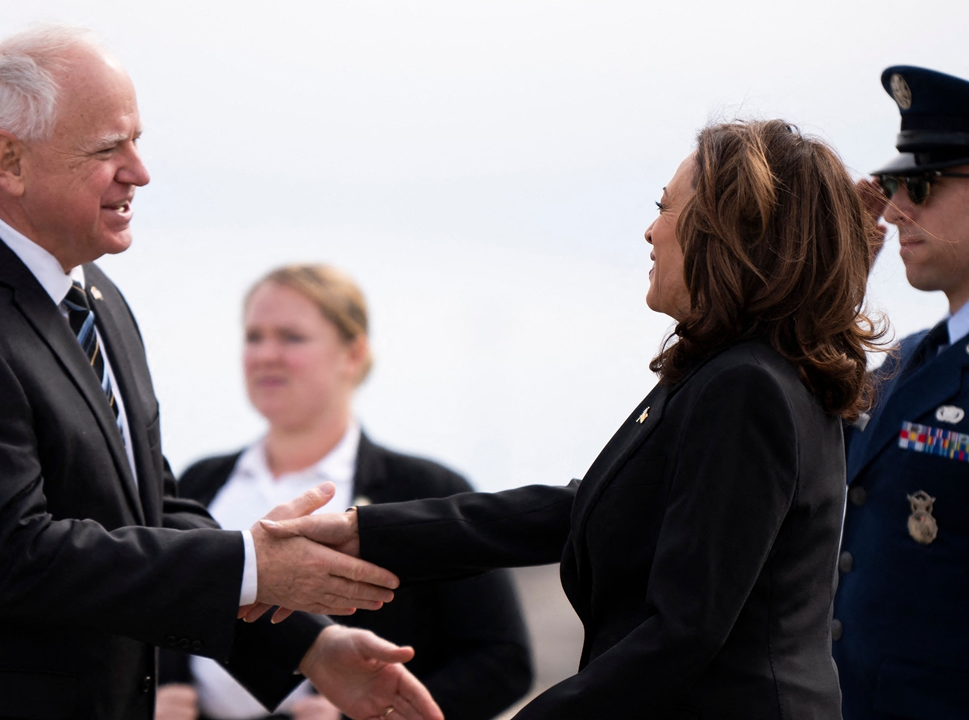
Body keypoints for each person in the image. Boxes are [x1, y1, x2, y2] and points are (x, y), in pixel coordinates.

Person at [0, 26, 442, 720]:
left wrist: (308, 646)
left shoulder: (97, 300)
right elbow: (14, 559)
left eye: (136, 141)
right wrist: (253, 567)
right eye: (107, 148)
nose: (140, 171)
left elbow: (150, 513)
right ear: (10, 159)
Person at [263, 120, 883, 719]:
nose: (649, 232)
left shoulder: (746, 385)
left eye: (666, 209)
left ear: (730, 232)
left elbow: (683, 633)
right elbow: (584, 509)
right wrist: (367, 532)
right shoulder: (733, 374)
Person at [155, 265, 533, 720]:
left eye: (291, 337)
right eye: (254, 337)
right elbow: (158, 608)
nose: (266, 354)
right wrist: (160, 694)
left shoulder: (424, 491)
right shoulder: (198, 483)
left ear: (352, 354)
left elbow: (502, 661)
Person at [834, 65, 969, 720]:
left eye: (919, 185)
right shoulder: (905, 361)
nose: (892, 211)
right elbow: (796, 444)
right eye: (891, 185)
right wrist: (836, 289)